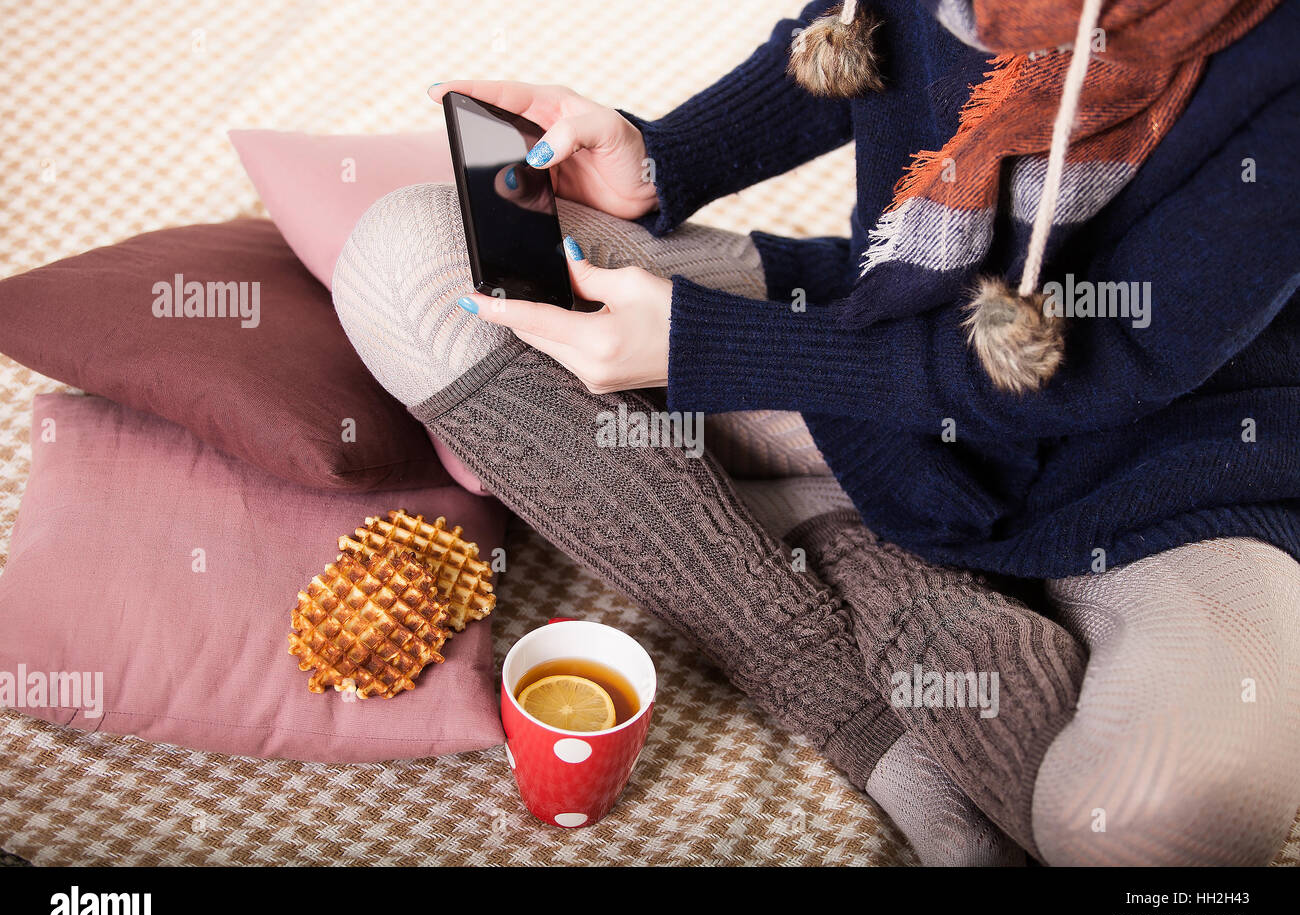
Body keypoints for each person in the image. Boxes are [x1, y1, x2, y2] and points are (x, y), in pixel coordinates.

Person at [333, 0, 1300, 865]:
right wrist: (664, 154)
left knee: (1163, 823)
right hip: (886, 323)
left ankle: (832, 534)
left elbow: (1099, 359)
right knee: (404, 265)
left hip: (1169, 455)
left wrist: (709, 348)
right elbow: (863, 27)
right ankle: (866, 711)